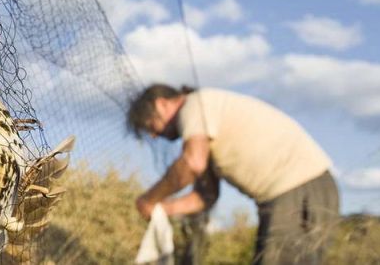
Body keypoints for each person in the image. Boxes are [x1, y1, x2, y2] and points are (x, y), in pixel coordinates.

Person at [128, 84, 339, 265]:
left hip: (297, 188)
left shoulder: (193, 105)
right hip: (301, 190)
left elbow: (192, 164)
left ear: (161, 104)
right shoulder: (204, 132)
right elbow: (205, 196)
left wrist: (149, 199)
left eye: (150, 127)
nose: (155, 136)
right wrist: (161, 209)